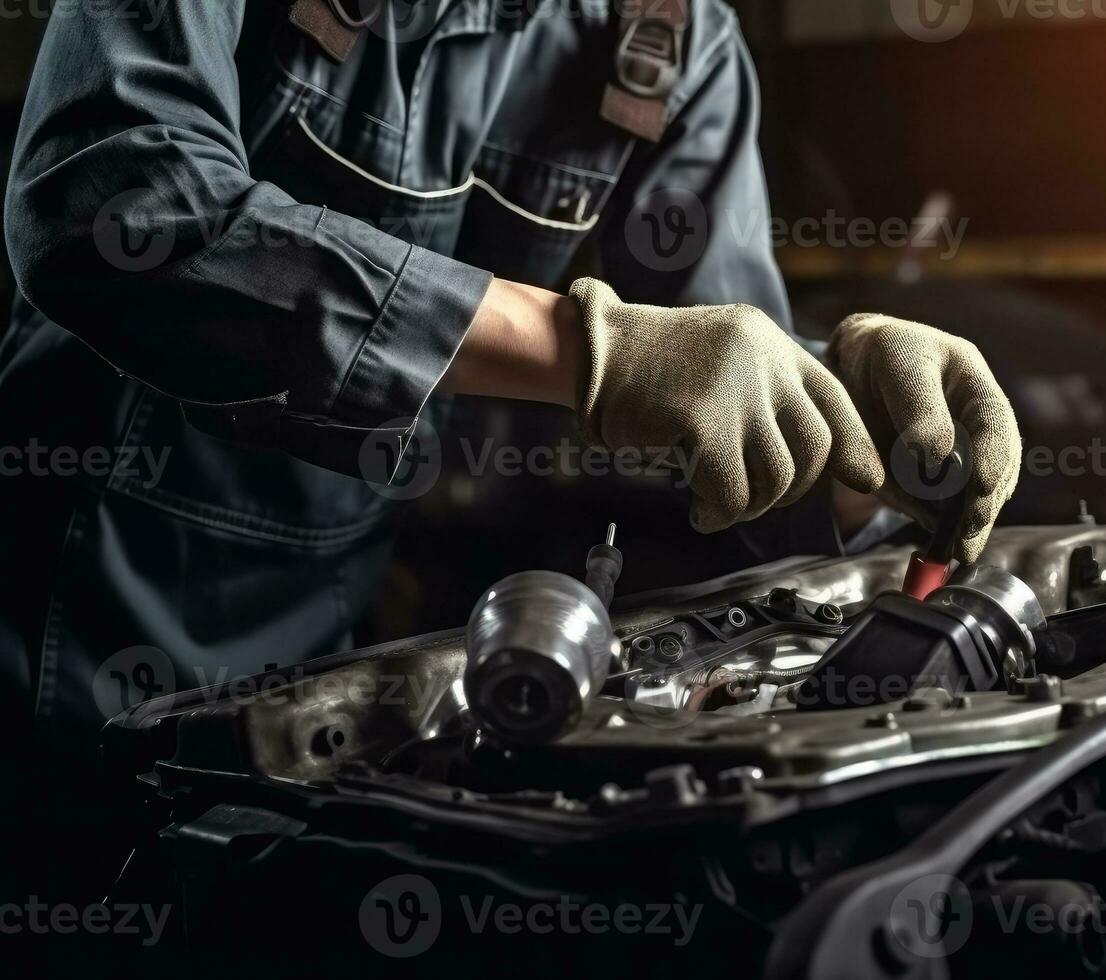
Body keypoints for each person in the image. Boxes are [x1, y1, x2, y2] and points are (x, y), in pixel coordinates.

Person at [0, 0, 1020, 904]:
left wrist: (866, 440)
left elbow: (727, 403)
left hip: (325, 649)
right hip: (64, 596)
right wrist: (587, 349)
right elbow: (117, 205)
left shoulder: (670, 36)